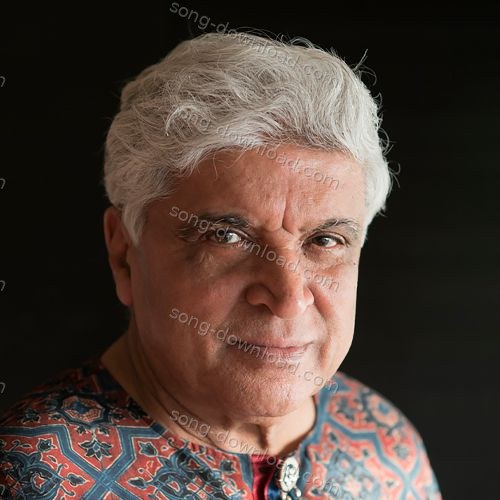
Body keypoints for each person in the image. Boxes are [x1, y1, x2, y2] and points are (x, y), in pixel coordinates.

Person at [0, 32, 441, 499]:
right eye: (227, 236)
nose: (289, 298)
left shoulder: (387, 448)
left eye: (325, 240)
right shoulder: (30, 478)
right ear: (123, 253)